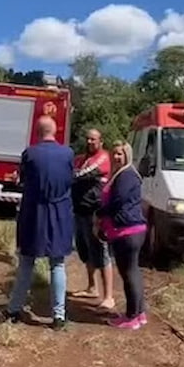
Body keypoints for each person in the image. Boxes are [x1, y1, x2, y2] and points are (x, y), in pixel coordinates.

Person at [1, 116, 74, 330]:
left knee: (26, 263)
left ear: (37, 131)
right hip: (59, 213)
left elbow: (23, 180)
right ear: (55, 131)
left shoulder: (30, 153)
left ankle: (14, 310)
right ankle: (59, 316)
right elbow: (70, 179)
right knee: (57, 264)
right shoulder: (68, 154)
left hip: (34, 213)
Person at [95, 141, 147, 330]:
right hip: (129, 230)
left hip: (127, 231)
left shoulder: (126, 175)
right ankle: (139, 313)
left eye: (120, 154)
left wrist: (100, 214)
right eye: (114, 154)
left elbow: (118, 201)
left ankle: (132, 316)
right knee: (133, 271)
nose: (117, 157)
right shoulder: (124, 174)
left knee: (129, 273)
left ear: (127, 155)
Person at [71, 128, 115, 310]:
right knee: (84, 250)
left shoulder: (103, 157)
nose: (89, 142)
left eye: (93, 139)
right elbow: (73, 170)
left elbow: (82, 174)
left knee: (101, 252)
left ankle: (109, 296)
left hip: (95, 213)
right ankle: (92, 287)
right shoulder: (80, 158)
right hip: (79, 210)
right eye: (88, 139)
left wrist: (71, 174)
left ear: (101, 141)